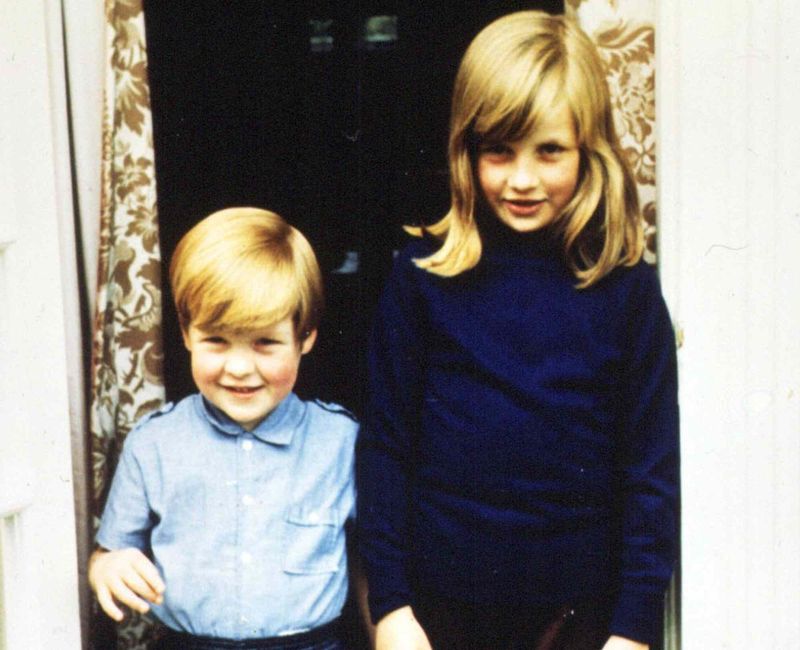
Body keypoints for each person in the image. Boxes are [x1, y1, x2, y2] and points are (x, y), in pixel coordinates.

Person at [357, 11, 678, 650]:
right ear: (465, 148)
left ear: (589, 150)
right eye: (498, 150)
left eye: (549, 151)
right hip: (440, 610)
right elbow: (385, 448)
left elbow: (651, 471)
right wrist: (391, 607)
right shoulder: (421, 278)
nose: (523, 179)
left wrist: (635, 629)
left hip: (579, 613)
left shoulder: (627, 291)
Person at [90, 207, 361, 649]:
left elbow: (379, 563)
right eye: (216, 340)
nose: (239, 368)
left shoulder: (341, 442)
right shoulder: (153, 443)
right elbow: (110, 552)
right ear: (185, 333)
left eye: (265, 343)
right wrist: (107, 568)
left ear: (306, 337)